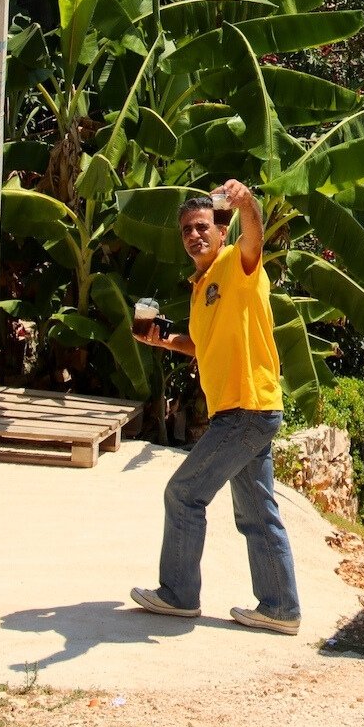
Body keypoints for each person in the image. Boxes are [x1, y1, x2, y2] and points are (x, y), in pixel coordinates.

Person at [129, 180, 301, 634]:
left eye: (202, 226)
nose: (194, 235)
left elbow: (255, 238)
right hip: (241, 410)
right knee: (258, 513)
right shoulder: (201, 285)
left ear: (220, 231)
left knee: (184, 494)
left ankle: (179, 595)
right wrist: (164, 339)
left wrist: (247, 203)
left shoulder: (237, 265)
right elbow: (204, 345)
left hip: (247, 408)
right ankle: (281, 608)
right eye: (187, 229)